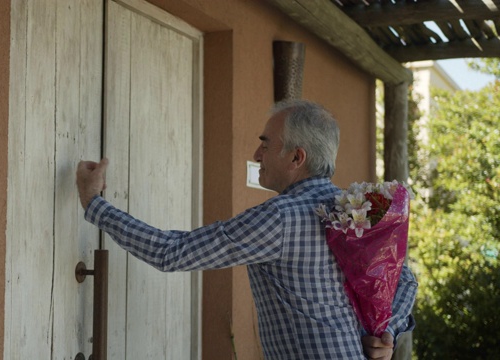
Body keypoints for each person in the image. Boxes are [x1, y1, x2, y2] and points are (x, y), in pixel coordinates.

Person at [76, 99, 417, 359]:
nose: (257, 154)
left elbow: (171, 252)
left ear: (297, 158)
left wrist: (94, 203)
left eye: (266, 144)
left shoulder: (282, 218)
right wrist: (387, 331)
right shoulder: (356, 209)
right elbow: (406, 278)